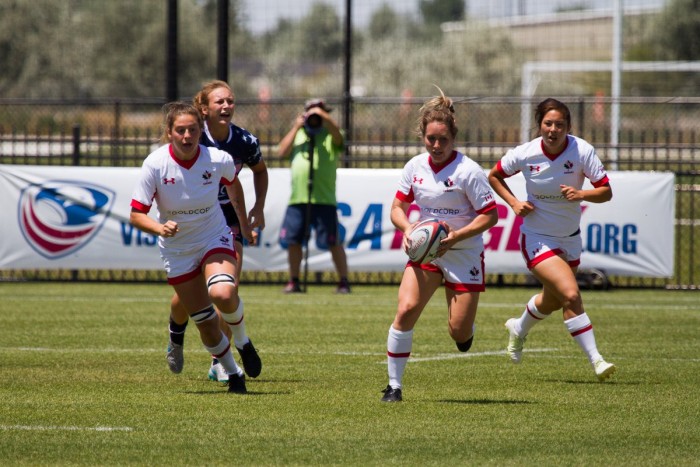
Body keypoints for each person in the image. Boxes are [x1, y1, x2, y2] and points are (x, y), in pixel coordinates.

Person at [380, 88, 498, 402]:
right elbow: (396, 208)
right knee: (405, 311)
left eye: (442, 139)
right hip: (427, 250)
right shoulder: (414, 167)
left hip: (462, 252)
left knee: (458, 332)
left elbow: (491, 216)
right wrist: (407, 229)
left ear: (453, 137)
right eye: (431, 138)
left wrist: (455, 237)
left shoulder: (468, 171)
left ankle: (466, 333)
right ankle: (394, 386)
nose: (436, 145)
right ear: (423, 136)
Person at [487, 97, 616, 382]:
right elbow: (494, 175)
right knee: (571, 295)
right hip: (536, 237)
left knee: (554, 300)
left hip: (570, 239)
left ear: (568, 126)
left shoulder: (582, 150)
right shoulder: (526, 153)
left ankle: (518, 328)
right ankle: (597, 360)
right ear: (539, 126)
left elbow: (606, 191)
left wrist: (581, 194)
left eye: (559, 124)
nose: (553, 129)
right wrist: (513, 203)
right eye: (548, 123)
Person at [130, 101, 249, 393]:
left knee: (223, 291)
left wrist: (243, 223)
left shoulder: (217, 158)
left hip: (213, 236)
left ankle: (244, 344)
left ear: (200, 130)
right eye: (180, 130)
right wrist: (160, 227)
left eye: (192, 130)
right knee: (204, 322)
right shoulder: (155, 164)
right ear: (169, 132)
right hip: (178, 249)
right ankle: (231, 371)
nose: (187, 136)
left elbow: (234, 184)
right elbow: (136, 214)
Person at [164, 81, 266, 384]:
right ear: (204, 109)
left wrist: (255, 212)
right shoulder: (192, 137)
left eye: (231, 101)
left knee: (224, 290)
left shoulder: (245, 141)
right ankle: (176, 335)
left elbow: (259, 171)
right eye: (219, 101)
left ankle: (220, 361)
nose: (226, 106)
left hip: (226, 221)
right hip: (190, 223)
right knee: (184, 297)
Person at [277, 98, 350, 294]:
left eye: (320, 113)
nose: (316, 117)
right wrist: (295, 127)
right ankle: (294, 280)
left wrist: (325, 118)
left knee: (333, 241)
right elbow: (281, 152)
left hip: (324, 198)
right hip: (298, 197)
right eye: (312, 113)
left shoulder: (330, 134)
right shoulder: (299, 133)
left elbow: (340, 140)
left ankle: (343, 281)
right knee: (294, 241)